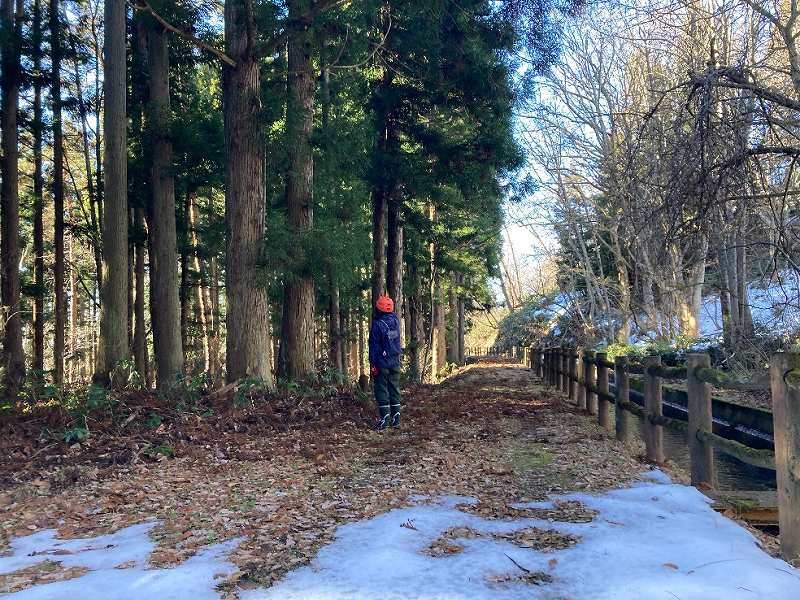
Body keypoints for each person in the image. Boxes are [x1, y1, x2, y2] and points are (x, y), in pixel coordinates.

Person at [369, 294, 402, 430]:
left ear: (379, 309)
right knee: (394, 388)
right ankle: (396, 419)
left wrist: (373, 364)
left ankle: (385, 419)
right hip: (395, 361)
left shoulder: (377, 325)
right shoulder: (395, 322)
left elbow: (374, 346)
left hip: (381, 364)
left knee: (381, 390)